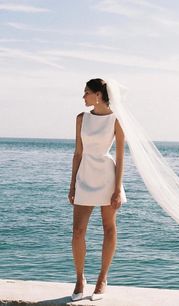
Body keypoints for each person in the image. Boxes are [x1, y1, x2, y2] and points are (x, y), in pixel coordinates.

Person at [68, 78, 127, 301]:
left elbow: (121, 157)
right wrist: (72, 183)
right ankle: (80, 279)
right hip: (85, 175)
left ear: (98, 96)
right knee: (78, 231)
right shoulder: (81, 118)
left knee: (108, 228)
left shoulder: (116, 120)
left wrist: (118, 189)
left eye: (86, 93)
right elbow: (77, 153)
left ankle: (102, 279)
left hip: (107, 176)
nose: (83, 97)